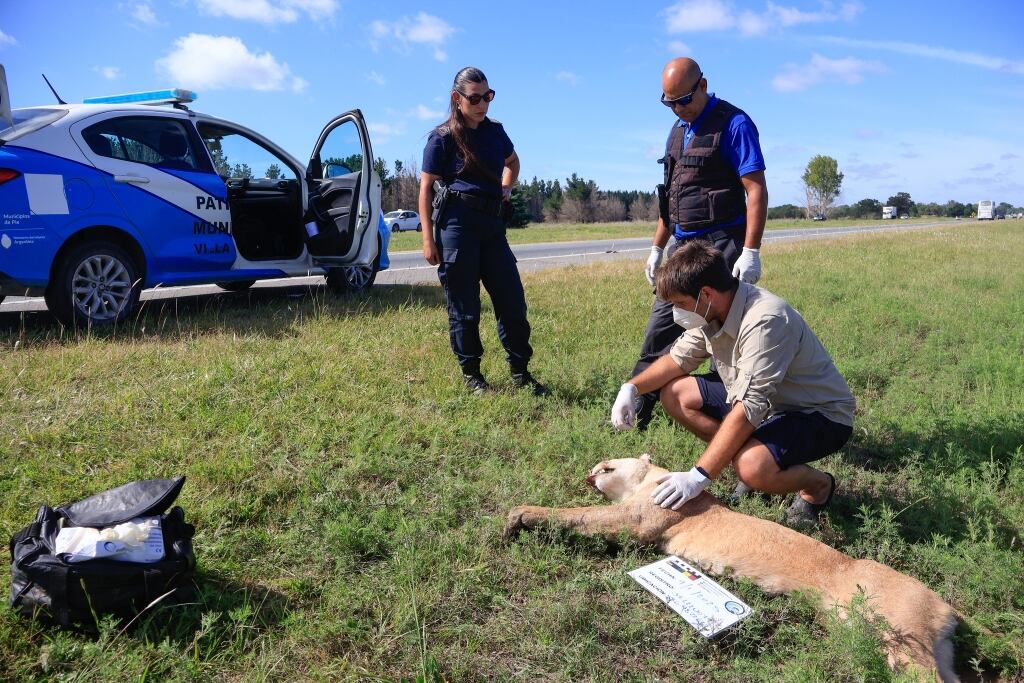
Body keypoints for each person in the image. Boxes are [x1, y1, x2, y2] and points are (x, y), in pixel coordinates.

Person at [611, 241, 855, 525]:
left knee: (752, 467)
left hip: (817, 413)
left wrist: (698, 476)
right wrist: (631, 388)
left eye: (679, 303)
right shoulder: (710, 311)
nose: (677, 312)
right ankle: (745, 458)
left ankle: (818, 487)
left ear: (706, 293)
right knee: (676, 394)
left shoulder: (765, 320)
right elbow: (677, 361)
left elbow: (750, 406)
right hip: (766, 405)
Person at [628, 57, 768, 428]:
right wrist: (657, 247)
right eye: (669, 102)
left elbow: (756, 191)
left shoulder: (734, 124)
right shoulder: (677, 130)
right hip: (682, 246)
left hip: (722, 244)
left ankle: (739, 407)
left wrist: (750, 251)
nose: (677, 109)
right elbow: (671, 197)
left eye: (684, 100)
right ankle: (636, 403)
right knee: (661, 324)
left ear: (703, 86)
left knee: (722, 329)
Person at [419, 66, 547, 396]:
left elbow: (513, 162)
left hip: (492, 227)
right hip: (457, 227)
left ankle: (521, 372)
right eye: (474, 98)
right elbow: (426, 188)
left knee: (513, 303)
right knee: (465, 308)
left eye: (487, 96)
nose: (482, 104)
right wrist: (427, 240)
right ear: (456, 98)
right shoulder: (442, 138)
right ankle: (473, 376)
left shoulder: (495, 132)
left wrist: (506, 188)